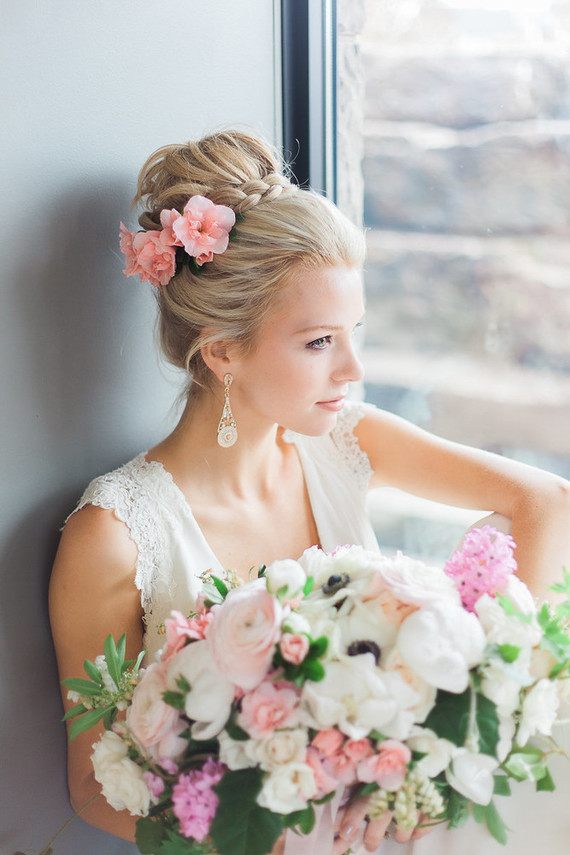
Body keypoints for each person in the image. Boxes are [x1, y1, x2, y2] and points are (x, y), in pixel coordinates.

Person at [49, 129, 570, 855]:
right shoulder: (114, 536)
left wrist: (485, 725)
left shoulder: (347, 440)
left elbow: (547, 502)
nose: (352, 368)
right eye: (320, 341)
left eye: (354, 332)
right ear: (223, 349)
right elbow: (93, 786)